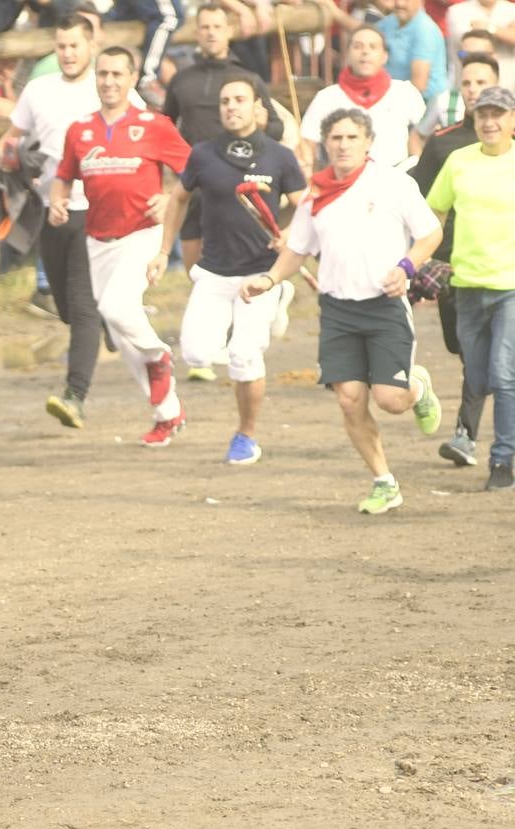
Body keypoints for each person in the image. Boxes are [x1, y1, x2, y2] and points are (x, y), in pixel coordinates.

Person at [242, 108, 444, 514]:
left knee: (389, 400)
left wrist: (406, 267)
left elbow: (430, 232)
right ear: (326, 144)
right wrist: (268, 280)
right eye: (336, 138)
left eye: (352, 137)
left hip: (385, 307)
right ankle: (384, 481)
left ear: (368, 142)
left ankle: (417, 388)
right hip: (337, 310)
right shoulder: (315, 195)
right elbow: (297, 251)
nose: (344, 145)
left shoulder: (392, 183)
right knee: (350, 400)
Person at [149, 76, 308, 464]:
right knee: (198, 355)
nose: (231, 106)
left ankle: (246, 436)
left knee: (244, 355)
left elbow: (306, 206)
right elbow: (179, 199)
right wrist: (161, 250)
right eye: (225, 101)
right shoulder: (202, 155)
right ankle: (269, 313)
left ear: (258, 107)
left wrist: (288, 234)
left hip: (261, 275)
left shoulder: (280, 157)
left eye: (239, 99)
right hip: (214, 273)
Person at [50, 46, 191, 448]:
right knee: (120, 330)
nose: (109, 82)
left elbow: (191, 172)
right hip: (98, 238)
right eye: (103, 74)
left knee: (116, 309)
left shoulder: (154, 124)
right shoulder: (80, 130)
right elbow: (64, 176)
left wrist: (167, 196)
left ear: (132, 79)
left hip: (143, 233)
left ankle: (160, 353)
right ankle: (167, 414)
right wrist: (58, 201)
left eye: (117, 74)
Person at [0, 16, 128, 429]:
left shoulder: (107, 86)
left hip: (98, 209)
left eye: (74, 46)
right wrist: (9, 155)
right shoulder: (38, 90)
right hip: (51, 208)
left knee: (82, 304)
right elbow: (8, 141)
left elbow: (137, 132)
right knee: (69, 309)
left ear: (91, 45)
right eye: (61, 46)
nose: (68, 54)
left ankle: (75, 395)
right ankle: (108, 319)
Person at [410, 52, 499, 465]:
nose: (472, 90)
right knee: (464, 350)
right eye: (466, 83)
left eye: (481, 82)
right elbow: (420, 203)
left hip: (506, 271)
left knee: (500, 360)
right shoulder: (444, 144)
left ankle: (471, 436)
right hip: (454, 269)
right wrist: (423, 260)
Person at [426, 85, 515, 490]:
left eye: (498, 114)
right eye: (482, 115)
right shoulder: (458, 161)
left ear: (512, 120)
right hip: (465, 286)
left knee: (502, 373)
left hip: (510, 288)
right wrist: (425, 259)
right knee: (477, 376)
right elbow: (435, 212)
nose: (490, 122)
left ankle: (502, 460)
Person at [161, 3, 283, 275]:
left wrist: (262, 125)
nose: (211, 33)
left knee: (245, 271)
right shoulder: (181, 80)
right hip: (195, 181)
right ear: (196, 32)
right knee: (197, 275)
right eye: (205, 27)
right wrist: (175, 166)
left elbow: (277, 129)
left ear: (229, 30)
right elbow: (164, 127)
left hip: (239, 182)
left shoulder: (247, 78)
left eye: (217, 27)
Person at [301, 26, 428, 171]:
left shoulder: (404, 92)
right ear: (347, 54)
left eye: (373, 47)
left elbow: (425, 135)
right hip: (343, 182)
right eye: (357, 46)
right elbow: (307, 144)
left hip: (397, 177)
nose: (365, 52)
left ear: (384, 56)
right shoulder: (327, 97)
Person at [417, 29, 498, 137]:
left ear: (494, 57)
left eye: (479, 55)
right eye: (464, 55)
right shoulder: (444, 100)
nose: (470, 60)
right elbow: (418, 137)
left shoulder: (510, 101)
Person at [377, 0, 450, 104]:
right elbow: (365, 33)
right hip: (391, 95)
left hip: (425, 103)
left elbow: (418, 85)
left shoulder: (425, 30)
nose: (400, 4)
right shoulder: (391, 21)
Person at [446, 0, 515, 88]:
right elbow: (474, 43)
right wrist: (505, 32)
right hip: (469, 86)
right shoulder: (457, 11)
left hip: (508, 85)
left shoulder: (512, 9)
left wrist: (488, 27)